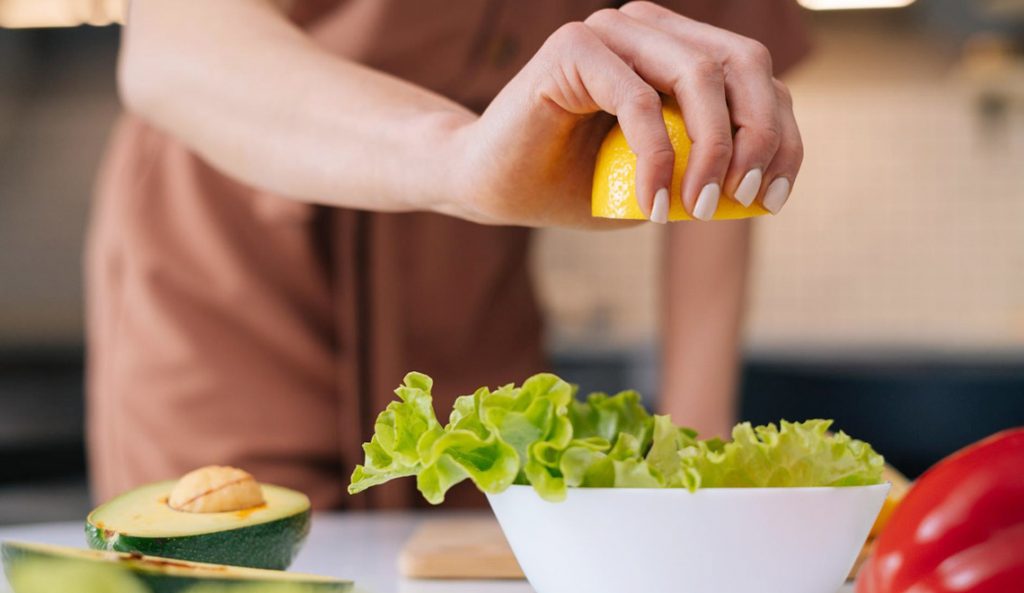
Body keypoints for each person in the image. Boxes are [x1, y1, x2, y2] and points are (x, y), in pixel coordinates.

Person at [86, 0, 808, 509]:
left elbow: (714, 158)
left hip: (471, 301)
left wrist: (695, 468)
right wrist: (459, 160)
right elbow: (170, 42)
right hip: (230, 265)